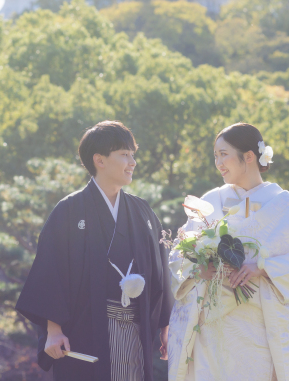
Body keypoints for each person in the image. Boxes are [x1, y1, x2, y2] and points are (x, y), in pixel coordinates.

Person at [16, 121, 173, 381]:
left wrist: (166, 326)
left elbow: (161, 273)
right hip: (87, 330)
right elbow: (50, 271)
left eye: (133, 155)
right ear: (99, 160)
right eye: (124, 154)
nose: (132, 162)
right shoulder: (69, 210)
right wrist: (53, 331)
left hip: (135, 329)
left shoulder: (142, 211)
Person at [167, 123, 289, 381]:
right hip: (212, 330)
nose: (218, 162)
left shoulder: (283, 203)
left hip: (260, 328)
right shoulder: (211, 201)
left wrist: (262, 267)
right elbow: (178, 255)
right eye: (215, 156)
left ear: (248, 156)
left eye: (223, 154)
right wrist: (200, 268)